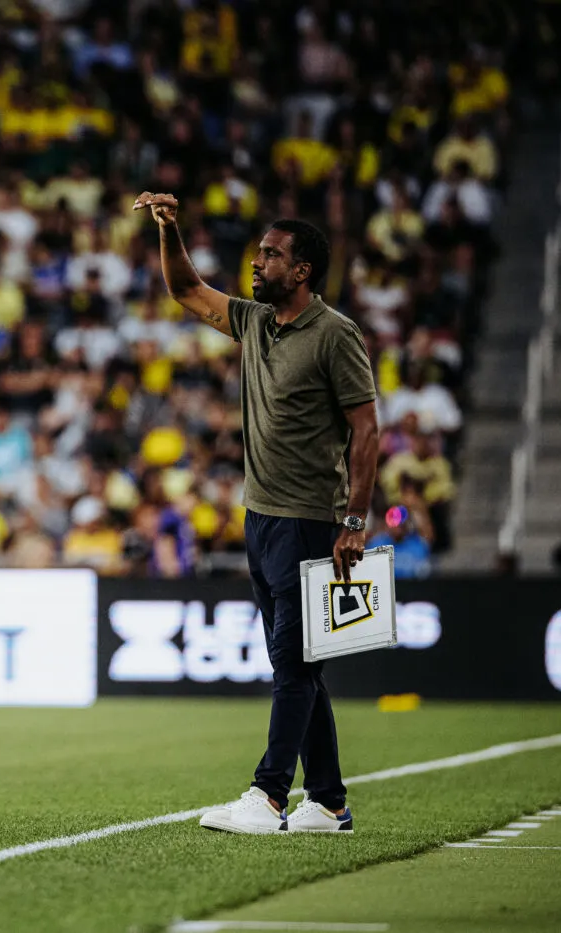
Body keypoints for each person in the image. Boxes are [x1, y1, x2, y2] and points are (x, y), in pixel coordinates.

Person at [133, 192, 378, 835]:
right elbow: (186, 289)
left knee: (295, 665)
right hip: (261, 516)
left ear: (301, 271)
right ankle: (327, 802)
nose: (257, 262)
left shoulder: (335, 334)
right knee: (297, 664)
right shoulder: (254, 321)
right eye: (259, 252)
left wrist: (354, 520)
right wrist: (170, 229)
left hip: (309, 521)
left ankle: (268, 796)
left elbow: (367, 428)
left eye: (270, 255)